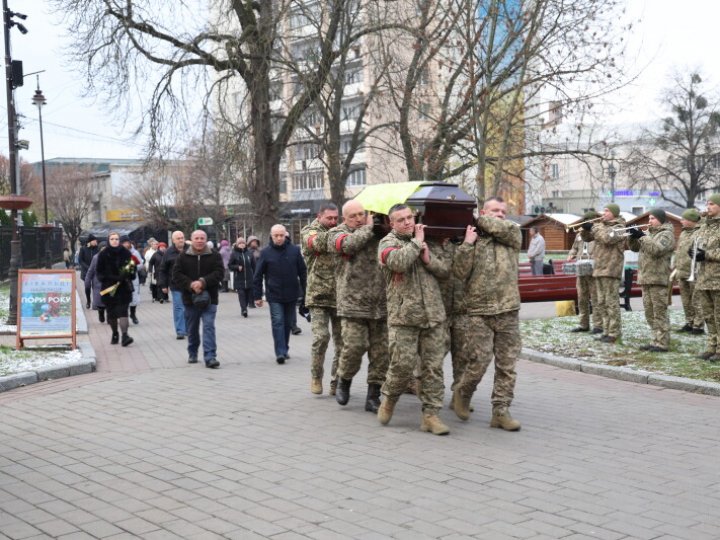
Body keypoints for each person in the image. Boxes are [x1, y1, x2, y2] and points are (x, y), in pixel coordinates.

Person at [376, 204, 450, 435]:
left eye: (410, 217)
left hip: (433, 316)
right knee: (402, 366)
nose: (408, 222)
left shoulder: (425, 241)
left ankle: (431, 415)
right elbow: (398, 262)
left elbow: (444, 271)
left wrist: (428, 259)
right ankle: (389, 398)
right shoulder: (387, 244)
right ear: (392, 223)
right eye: (401, 220)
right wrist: (417, 242)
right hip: (404, 318)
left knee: (433, 368)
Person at [451, 196, 523, 431]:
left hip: (508, 310)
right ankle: (463, 391)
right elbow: (460, 273)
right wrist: (467, 244)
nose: (500, 214)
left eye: (503, 211)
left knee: (507, 365)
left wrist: (478, 219)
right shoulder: (474, 238)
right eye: (495, 211)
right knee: (478, 361)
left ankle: (500, 411)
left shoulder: (512, 233)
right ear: (485, 211)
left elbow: (499, 227)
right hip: (479, 311)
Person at [327, 200, 389, 412]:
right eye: (353, 216)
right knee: (354, 346)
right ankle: (344, 379)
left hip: (380, 303)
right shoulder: (337, 233)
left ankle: (373, 394)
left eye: (361, 214)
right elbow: (348, 246)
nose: (358, 218)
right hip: (352, 303)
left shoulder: (379, 232)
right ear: (345, 218)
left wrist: (382, 226)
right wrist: (369, 228)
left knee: (381, 353)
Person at [301, 203, 342, 395]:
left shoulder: (341, 230)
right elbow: (316, 243)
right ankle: (316, 376)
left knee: (342, 342)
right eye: (329, 218)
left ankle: (337, 380)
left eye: (336, 218)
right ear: (319, 216)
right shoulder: (309, 231)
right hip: (318, 294)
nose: (333, 222)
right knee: (321, 337)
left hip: (340, 295)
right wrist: (342, 234)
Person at [253, 224, 307, 364]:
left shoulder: (294, 251)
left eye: (281, 235)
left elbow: (303, 273)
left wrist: (307, 292)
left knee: (288, 323)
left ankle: (285, 347)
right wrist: (257, 296)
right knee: (278, 321)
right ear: (271, 236)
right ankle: (280, 352)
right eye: (276, 235)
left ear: (286, 235)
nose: (278, 238)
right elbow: (258, 275)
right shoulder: (265, 252)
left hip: (291, 293)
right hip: (274, 293)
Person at [172, 230, 224, 368]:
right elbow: (176, 275)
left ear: (206, 240)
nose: (200, 240)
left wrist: (203, 282)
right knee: (192, 328)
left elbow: (219, 273)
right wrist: (191, 285)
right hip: (190, 300)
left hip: (210, 298)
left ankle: (210, 356)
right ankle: (193, 352)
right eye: (197, 238)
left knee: (208, 326)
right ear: (191, 240)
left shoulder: (215, 255)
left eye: (202, 238)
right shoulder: (183, 256)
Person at [627, 209, 675, 352]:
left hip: (658, 279)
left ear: (661, 220)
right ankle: (655, 340)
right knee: (649, 313)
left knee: (659, 313)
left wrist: (641, 236)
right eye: (649, 218)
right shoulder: (649, 233)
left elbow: (656, 250)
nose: (649, 221)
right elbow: (635, 248)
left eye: (653, 218)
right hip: (646, 278)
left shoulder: (666, 234)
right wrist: (632, 236)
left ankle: (662, 343)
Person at [580, 203, 626, 344]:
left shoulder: (620, 227)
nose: (603, 213)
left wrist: (593, 227)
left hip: (611, 270)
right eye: (604, 210)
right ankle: (606, 330)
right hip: (599, 269)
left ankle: (614, 332)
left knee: (611, 303)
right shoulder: (602, 226)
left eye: (607, 211)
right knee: (601, 303)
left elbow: (607, 238)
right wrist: (585, 229)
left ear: (614, 213)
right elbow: (587, 239)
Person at [95, 232, 136, 346]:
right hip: (109, 289)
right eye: (112, 239)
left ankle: (125, 335)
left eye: (117, 239)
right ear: (108, 240)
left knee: (123, 312)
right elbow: (99, 272)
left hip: (123, 288)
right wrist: (109, 278)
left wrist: (127, 273)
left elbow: (132, 269)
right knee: (112, 314)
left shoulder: (126, 253)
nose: (114, 241)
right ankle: (115, 333)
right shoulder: (103, 254)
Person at [692, 195, 720, 361]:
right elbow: (698, 245)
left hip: (718, 279)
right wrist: (694, 253)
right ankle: (712, 346)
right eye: (707, 203)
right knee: (708, 316)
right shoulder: (705, 226)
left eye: (712, 204)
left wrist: (707, 255)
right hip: (704, 278)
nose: (707, 207)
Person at [566, 221, 601, 333]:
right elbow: (574, 248)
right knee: (582, 298)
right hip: (581, 268)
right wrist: (571, 253)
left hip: (593, 268)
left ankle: (598, 325)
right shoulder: (579, 235)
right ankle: (583, 324)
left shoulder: (597, 234)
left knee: (595, 298)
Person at [675, 209, 704, 334]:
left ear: (692, 220)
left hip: (695, 271)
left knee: (696, 300)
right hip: (682, 271)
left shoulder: (700, 232)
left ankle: (698, 325)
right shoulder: (683, 233)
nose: (681, 221)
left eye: (684, 219)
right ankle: (689, 322)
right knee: (686, 300)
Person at [159, 231, 187, 339]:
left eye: (182, 237)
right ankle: (180, 331)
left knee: (189, 308)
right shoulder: (168, 252)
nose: (181, 240)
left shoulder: (190, 249)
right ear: (173, 240)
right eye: (178, 238)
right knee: (179, 307)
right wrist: (163, 285)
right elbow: (163, 270)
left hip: (190, 284)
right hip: (176, 285)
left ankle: (188, 328)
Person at [228, 237, 255, 317]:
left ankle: (245, 307)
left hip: (249, 278)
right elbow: (230, 265)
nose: (242, 245)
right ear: (237, 244)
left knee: (247, 295)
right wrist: (237, 267)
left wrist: (255, 274)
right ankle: (244, 309)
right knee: (241, 294)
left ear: (245, 244)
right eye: (240, 243)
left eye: (243, 243)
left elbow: (254, 265)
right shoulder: (234, 253)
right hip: (239, 278)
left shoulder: (249, 253)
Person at [120, 236, 143, 324]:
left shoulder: (135, 253)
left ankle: (133, 314)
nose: (126, 244)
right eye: (124, 243)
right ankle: (124, 317)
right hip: (122, 279)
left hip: (133, 279)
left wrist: (132, 268)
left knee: (134, 299)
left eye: (127, 242)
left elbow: (141, 264)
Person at [84, 242, 106, 323]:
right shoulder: (96, 258)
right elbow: (90, 271)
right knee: (100, 304)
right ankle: (101, 313)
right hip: (98, 284)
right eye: (102, 248)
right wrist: (87, 282)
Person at [78, 234, 99, 309]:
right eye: (94, 241)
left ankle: (95, 302)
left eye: (96, 241)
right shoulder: (83, 249)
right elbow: (80, 260)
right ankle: (88, 301)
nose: (96, 242)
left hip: (95, 272)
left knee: (95, 287)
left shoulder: (97, 249)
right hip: (86, 272)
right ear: (90, 241)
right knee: (87, 287)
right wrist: (88, 267)